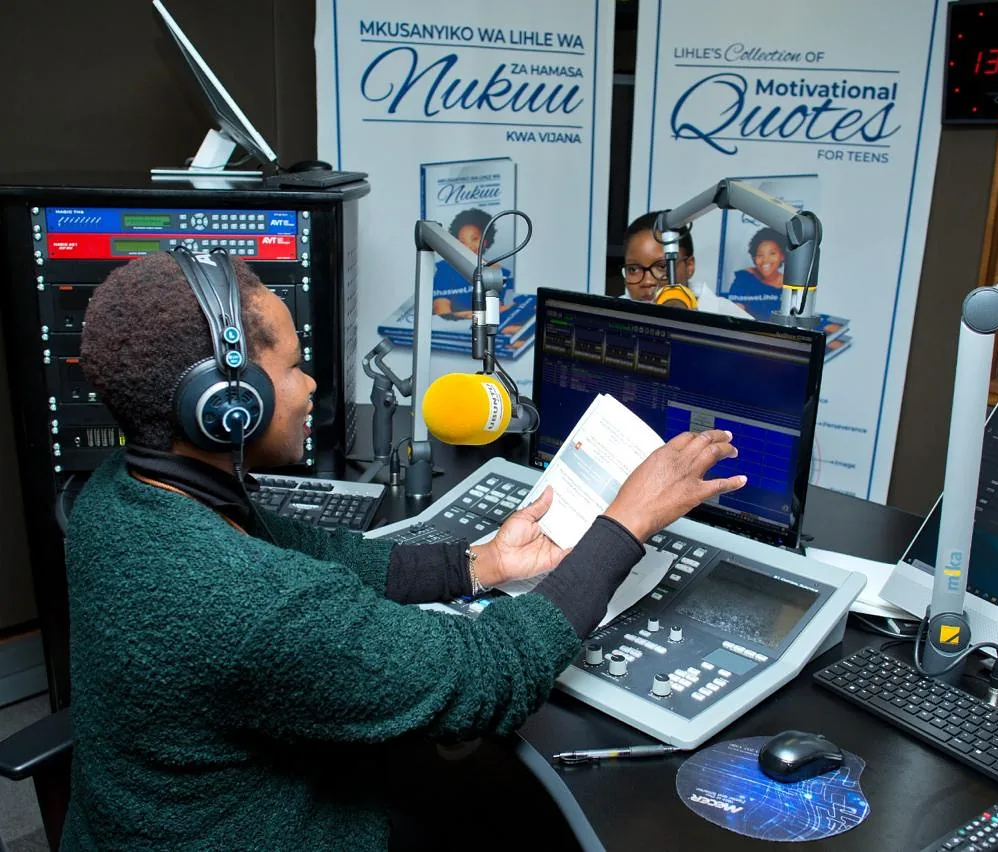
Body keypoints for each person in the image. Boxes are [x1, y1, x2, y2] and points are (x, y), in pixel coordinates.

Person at [64, 250, 747, 850]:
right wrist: (626, 522)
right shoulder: (245, 601)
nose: (310, 386)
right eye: (293, 367)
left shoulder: (121, 493)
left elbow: (319, 555)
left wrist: (481, 563)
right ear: (223, 405)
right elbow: (487, 675)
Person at [619, 211, 751, 317]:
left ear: (689, 266)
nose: (647, 282)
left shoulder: (731, 318)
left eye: (662, 266)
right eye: (633, 269)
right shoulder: (613, 314)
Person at [432, 208, 515, 318]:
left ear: (485, 241)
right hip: (452, 327)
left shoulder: (497, 271)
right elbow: (442, 312)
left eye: (474, 239)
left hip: (486, 327)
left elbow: (496, 311)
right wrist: (477, 316)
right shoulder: (444, 270)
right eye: (462, 242)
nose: (468, 246)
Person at [725, 226, 786, 320]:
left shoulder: (790, 286)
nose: (765, 260)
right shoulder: (744, 279)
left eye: (772, 253)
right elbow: (734, 312)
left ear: (782, 256)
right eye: (760, 255)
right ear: (754, 257)